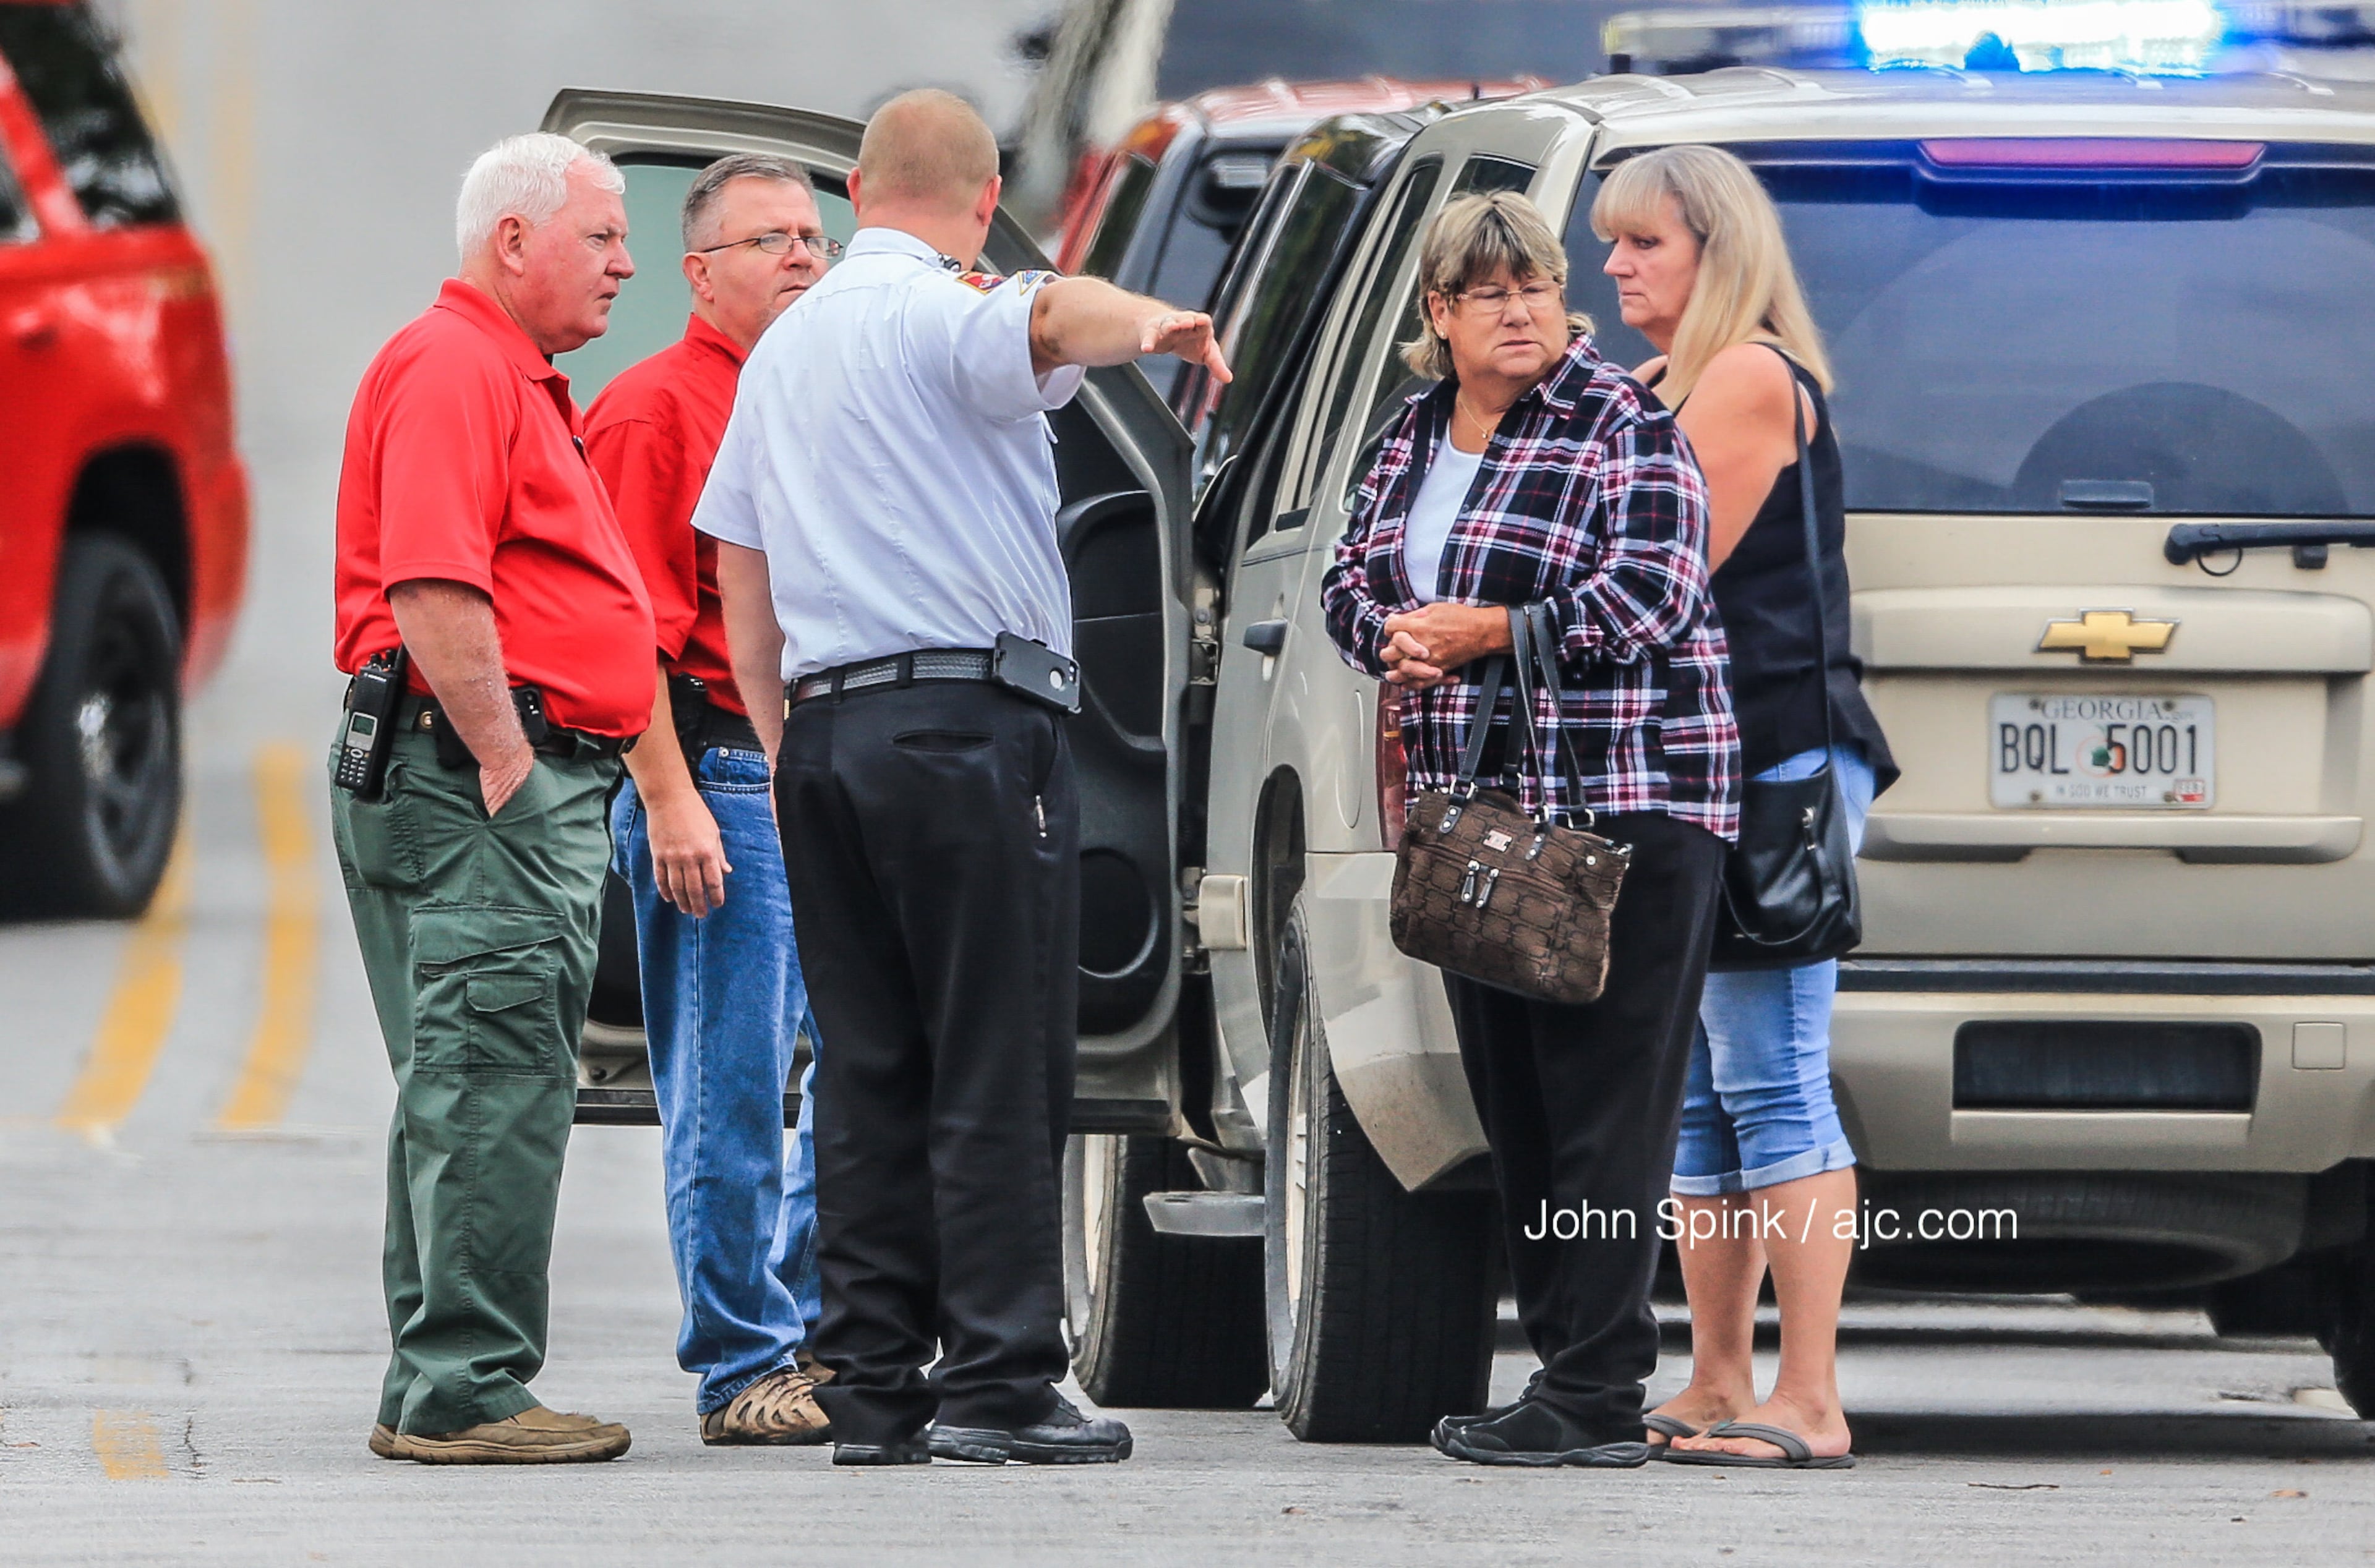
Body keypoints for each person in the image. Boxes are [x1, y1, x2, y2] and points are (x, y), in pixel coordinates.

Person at [696, 88, 1228, 1467]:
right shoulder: (955, 311)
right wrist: (1157, 325)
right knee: (996, 1057)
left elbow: (737, 574)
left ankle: (872, 1386)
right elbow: (1052, 322)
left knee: (867, 1068)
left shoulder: (781, 351)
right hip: (968, 727)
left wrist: (783, 737)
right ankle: (998, 1379)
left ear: (858, 190)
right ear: (985, 199)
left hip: (823, 736)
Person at [1319, 191, 1739, 1469]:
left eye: (1539, 288)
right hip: (1481, 821)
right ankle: (1564, 1374)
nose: (1522, 311)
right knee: (1522, 1103)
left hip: (1631, 805)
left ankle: (1602, 1387)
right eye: (1490, 293)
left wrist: (1488, 628)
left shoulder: (1623, 421)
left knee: (1607, 1102)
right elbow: (1352, 572)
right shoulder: (1408, 433)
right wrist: (1385, 631)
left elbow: (1656, 594)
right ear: (1439, 315)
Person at [328, 132, 653, 1465]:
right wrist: (507, 756)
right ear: (513, 241)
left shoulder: (501, 367)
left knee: (464, 1079)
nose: (628, 262)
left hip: (455, 771)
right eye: (605, 236)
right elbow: (433, 581)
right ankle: (465, 1384)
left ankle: (440, 1374)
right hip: (475, 778)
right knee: (493, 1076)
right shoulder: (462, 364)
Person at [1594, 145, 1894, 1471]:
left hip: (1776, 766)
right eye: (1612, 243)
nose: (1615, 266)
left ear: (1716, 250)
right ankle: (1718, 1377)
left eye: (1643, 243)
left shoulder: (1749, 375)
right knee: (1706, 1097)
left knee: (1774, 1079)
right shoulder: (1657, 383)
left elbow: (1653, 579)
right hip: (1698, 775)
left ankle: (1811, 1395)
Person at [583, 153, 839, 1446]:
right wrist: (670, 796)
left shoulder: (821, 396)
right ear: (701, 271)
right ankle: (740, 1363)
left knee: (859, 1070)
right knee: (731, 1085)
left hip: (826, 772)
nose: (803, 254)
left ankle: (807, 1327)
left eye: (812, 234)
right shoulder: (653, 409)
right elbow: (615, 633)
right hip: (720, 773)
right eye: (770, 239)